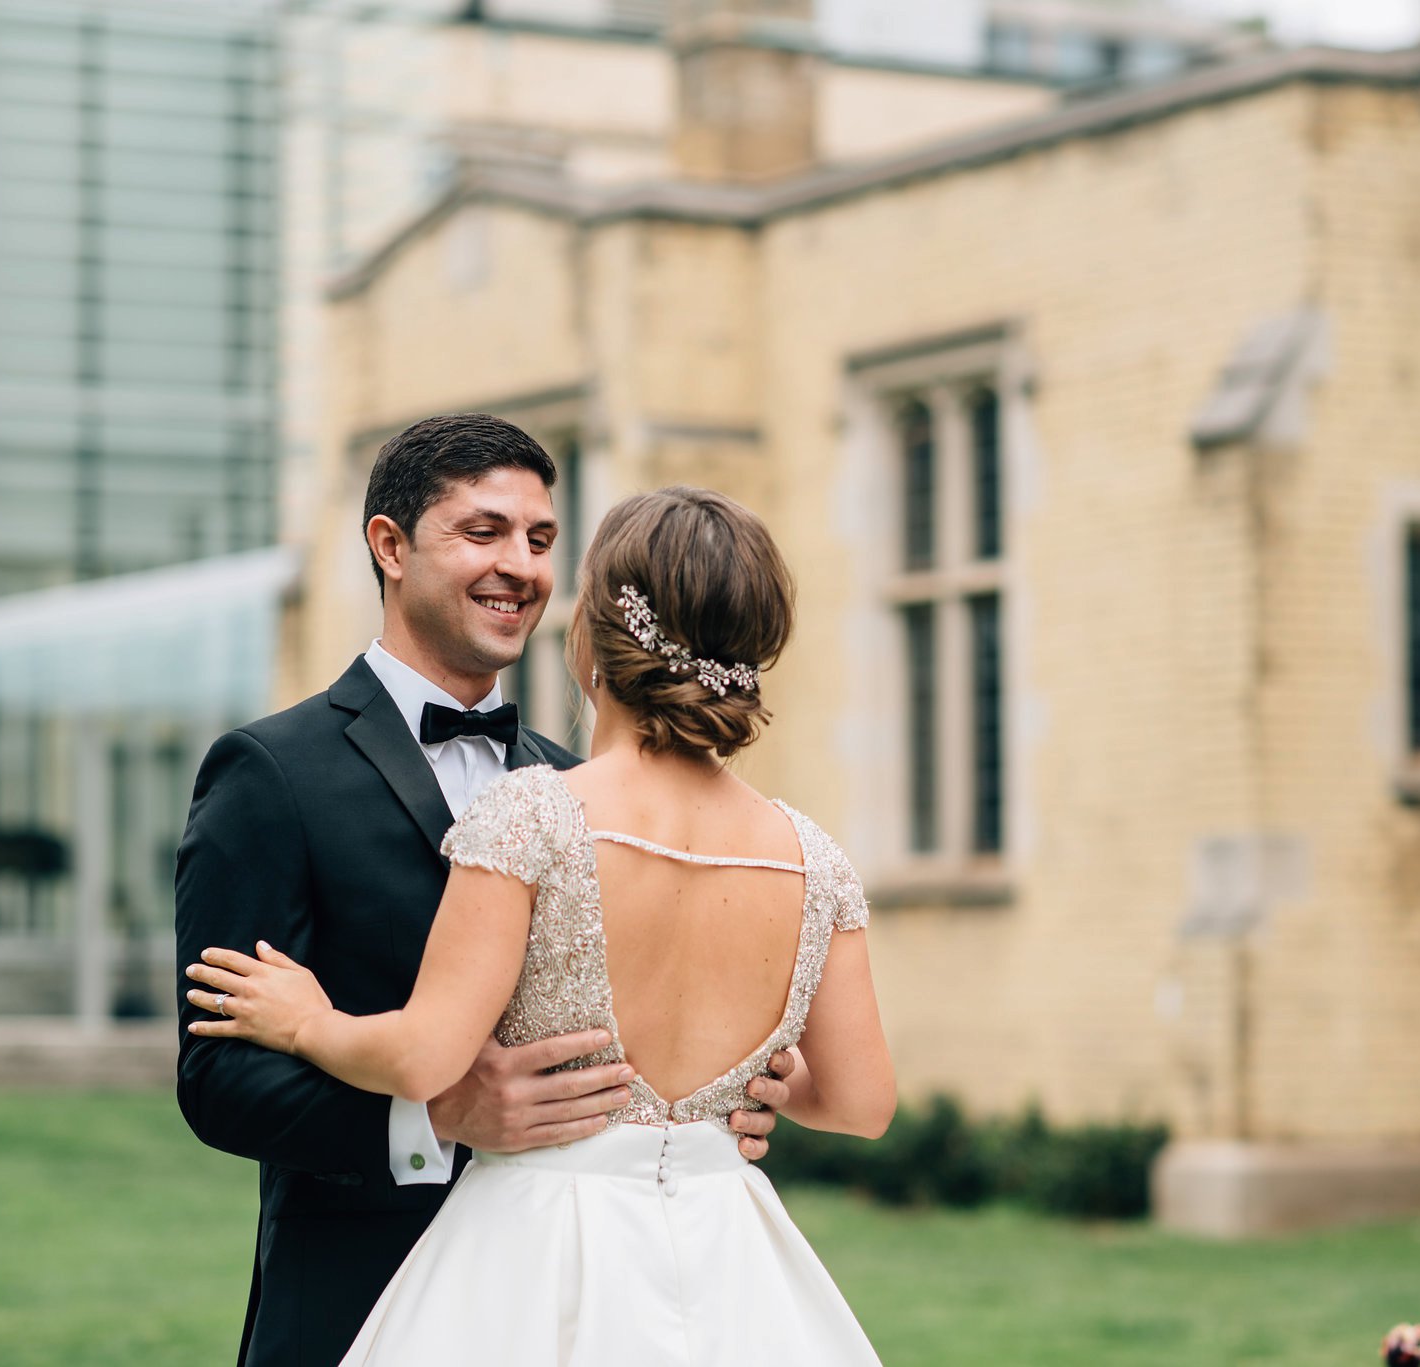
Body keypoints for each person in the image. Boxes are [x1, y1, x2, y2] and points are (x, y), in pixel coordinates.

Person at [186, 486, 898, 1366]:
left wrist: (304, 1021)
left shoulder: (537, 813)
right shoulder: (812, 856)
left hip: (540, 1244)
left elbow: (423, 1056)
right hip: (729, 1255)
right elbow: (865, 1103)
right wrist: (755, 1088)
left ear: (593, 634)